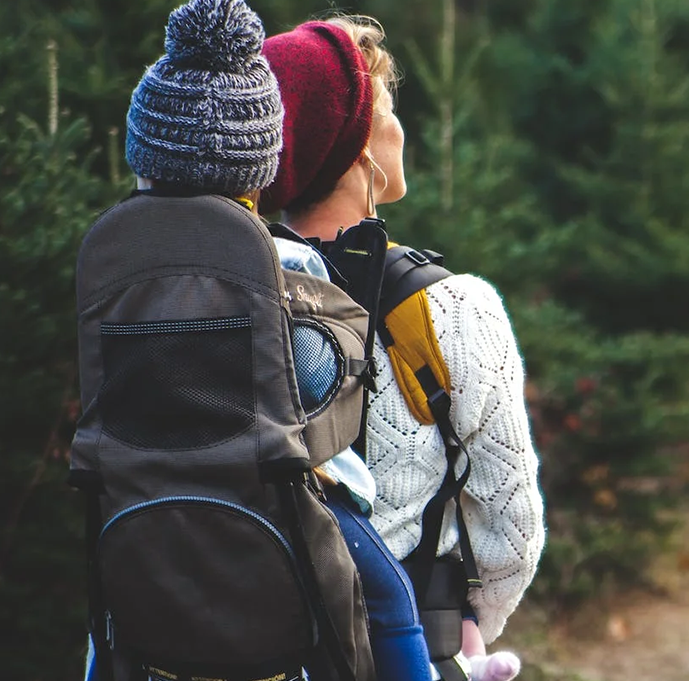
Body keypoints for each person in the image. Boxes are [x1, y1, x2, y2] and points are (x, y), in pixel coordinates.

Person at [105, 3, 431, 680]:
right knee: (388, 597)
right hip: (276, 491)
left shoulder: (118, 261)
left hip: (139, 487)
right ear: (258, 165)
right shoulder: (280, 262)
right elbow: (316, 383)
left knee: (108, 617)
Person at [258, 14, 547, 681]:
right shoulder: (452, 309)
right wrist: (459, 627)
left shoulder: (234, 293)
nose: (400, 127)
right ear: (358, 147)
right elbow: (514, 529)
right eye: (387, 109)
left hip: (264, 647)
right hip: (408, 647)